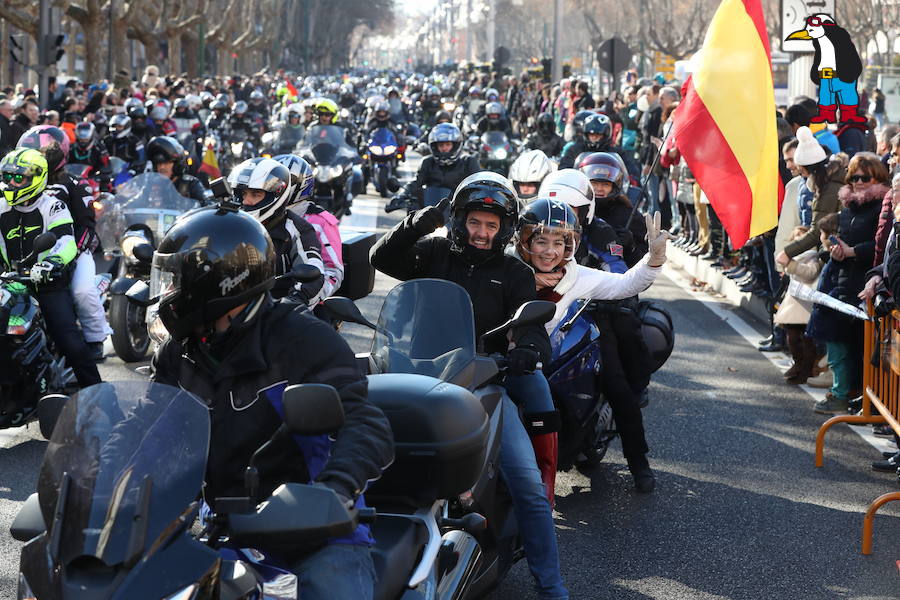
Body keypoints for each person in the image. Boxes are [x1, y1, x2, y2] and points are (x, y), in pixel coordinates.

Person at [149, 205, 393, 600]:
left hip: (316, 533)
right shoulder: (180, 354)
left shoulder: (302, 340)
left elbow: (365, 422)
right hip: (225, 527)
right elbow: (148, 427)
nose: (167, 294)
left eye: (176, 281)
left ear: (220, 285)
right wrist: (97, 479)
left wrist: (335, 490)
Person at [371, 171, 568, 600]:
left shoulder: (514, 272)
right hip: (416, 376)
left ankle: (552, 588)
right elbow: (381, 260)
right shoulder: (432, 252)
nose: (482, 233)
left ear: (504, 229)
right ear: (460, 221)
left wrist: (529, 351)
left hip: (485, 383)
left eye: (492, 225)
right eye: (475, 222)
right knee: (365, 465)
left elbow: (533, 324)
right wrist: (418, 222)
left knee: (530, 490)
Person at [0, 148, 102, 388]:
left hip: (47, 284)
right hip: (11, 284)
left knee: (70, 341)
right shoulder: (1, 206)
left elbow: (66, 241)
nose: (11, 184)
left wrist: (51, 263)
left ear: (37, 177)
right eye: (7, 177)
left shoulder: (52, 206)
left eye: (19, 178)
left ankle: (100, 399)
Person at [17, 125, 111, 362]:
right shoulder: (16, 183)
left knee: (82, 291)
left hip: (71, 251)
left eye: (40, 151)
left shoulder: (76, 184)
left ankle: (95, 338)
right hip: (27, 252)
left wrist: (72, 252)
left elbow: (87, 225)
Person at [228, 157, 326, 304]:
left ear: (275, 195)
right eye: (243, 194)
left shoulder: (297, 228)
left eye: (255, 194)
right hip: (228, 305)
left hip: (275, 309)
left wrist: (295, 300)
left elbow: (313, 269)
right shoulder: (229, 222)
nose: (246, 201)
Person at [275, 153, 345, 301]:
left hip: (303, 302)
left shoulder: (320, 221)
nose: (275, 187)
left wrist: (305, 300)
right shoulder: (263, 215)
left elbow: (332, 271)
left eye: (279, 183)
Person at [385, 122, 480, 213]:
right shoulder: (428, 162)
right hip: (430, 212)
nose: (444, 148)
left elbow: (477, 185)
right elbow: (416, 182)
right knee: (411, 220)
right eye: (441, 145)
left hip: (457, 212)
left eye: (448, 144)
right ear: (435, 146)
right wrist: (401, 195)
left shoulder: (468, 162)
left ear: (455, 145)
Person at [145, 135, 208, 205]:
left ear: (177, 165)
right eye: (158, 163)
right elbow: (136, 203)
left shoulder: (191, 184)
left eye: (167, 163)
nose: (162, 167)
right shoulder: (151, 184)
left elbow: (206, 207)